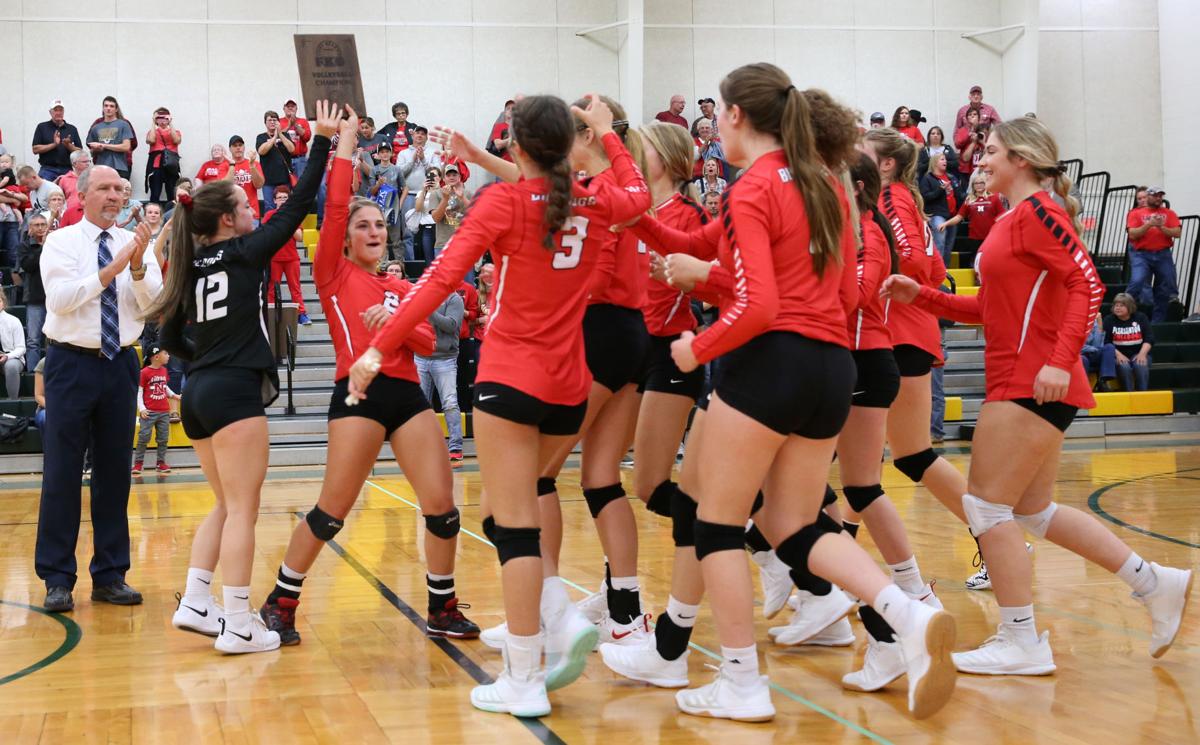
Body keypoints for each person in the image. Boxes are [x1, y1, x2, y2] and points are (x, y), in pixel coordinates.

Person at [612, 67, 956, 723]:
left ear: (737, 115)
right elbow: (831, 290)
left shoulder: (753, 187)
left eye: (720, 113)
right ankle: (905, 614)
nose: (715, 124)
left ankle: (741, 682)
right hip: (832, 367)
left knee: (715, 522)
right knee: (794, 524)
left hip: (769, 364)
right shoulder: (828, 188)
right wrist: (638, 221)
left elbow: (761, 303)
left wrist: (697, 348)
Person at [348, 94, 649, 719]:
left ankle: (524, 675)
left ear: (515, 144)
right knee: (505, 510)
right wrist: (608, 135)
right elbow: (639, 196)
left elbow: (438, 281)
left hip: (511, 380)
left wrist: (378, 347)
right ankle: (554, 617)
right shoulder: (594, 202)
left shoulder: (503, 203)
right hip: (570, 386)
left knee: (513, 529)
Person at [883, 116, 1192, 676]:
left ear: (1021, 159)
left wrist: (1057, 358)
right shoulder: (1011, 219)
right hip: (1023, 375)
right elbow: (989, 308)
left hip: (1033, 377)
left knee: (986, 507)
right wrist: (921, 295)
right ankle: (1154, 583)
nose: (980, 161)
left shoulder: (1040, 212)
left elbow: (1088, 284)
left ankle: (1021, 640)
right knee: (1032, 510)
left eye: (991, 152)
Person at [257, 108, 480, 645]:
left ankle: (443, 607)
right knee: (332, 511)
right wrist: (345, 140)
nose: (375, 231)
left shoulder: (401, 288)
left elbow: (428, 341)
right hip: (357, 396)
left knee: (443, 508)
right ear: (347, 238)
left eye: (380, 224)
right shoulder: (333, 273)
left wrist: (394, 324)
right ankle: (280, 602)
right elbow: (335, 205)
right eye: (364, 226)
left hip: (406, 396)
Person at [157, 100, 336, 654]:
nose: (253, 207)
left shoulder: (189, 265)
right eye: (244, 202)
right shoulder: (242, 252)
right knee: (243, 509)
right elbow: (299, 203)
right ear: (228, 220)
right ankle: (238, 623)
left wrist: (209, 355)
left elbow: (169, 339)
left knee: (224, 503)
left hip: (198, 392)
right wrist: (322, 140)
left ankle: (195, 602)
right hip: (233, 391)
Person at [35, 164, 161, 613]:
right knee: (62, 472)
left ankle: (110, 575)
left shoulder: (137, 244)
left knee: (114, 474)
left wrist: (139, 265)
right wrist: (116, 266)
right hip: (70, 362)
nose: (114, 195)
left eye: (120, 189)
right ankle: (57, 578)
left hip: (121, 362)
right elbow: (61, 299)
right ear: (82, 195)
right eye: (105, 188)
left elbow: (152, 305)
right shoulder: (62, 241)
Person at [415, 288, 465, 461]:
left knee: (450, 403)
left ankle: (455, 447)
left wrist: (428, 311)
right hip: (420, 357)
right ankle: (424, 446)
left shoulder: (454, 298)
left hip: (445, 358)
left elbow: (451, 325)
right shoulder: (421, 295)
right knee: (420, 405)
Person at [1126, 187, 1184, 322]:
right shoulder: (1135, 213)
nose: (1158, 198)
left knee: (1165, 285)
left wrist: (1161, 227)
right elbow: (1132, 234)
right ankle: (1123, 308)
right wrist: (1149, 224)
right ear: (1148, 197)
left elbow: (1177, 233)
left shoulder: (1169, 213)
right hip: (1141, 254)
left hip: (1163, 253)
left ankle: (1156, 323)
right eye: (1155, 195)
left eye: (1160, 196)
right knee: (1137, 280)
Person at [262, 185, 310, 325]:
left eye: (285, 197)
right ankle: (270, 316)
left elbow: (299, 237)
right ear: (274, 200)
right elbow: (265, 234)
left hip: (291, 258)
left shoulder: (294, 215)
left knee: (295, 288)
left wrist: (288, 220)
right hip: (274, 258)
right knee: (272, 289)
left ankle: (301, 314)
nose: (282, 200)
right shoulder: (269, 215)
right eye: (279, 198)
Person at [132, 344, 179, 475]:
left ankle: (160, 463)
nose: (169, 356)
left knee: (163, 439)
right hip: (149, 412)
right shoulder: (144, 373)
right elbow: (139, 392)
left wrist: (174, 395)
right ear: (157, 357)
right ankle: (138, 464)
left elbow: (164, 386)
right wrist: (142, 409)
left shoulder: (164, 370)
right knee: (143, 437)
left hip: (164, 411)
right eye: (166, 353)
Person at [940, 173, 1005, 257]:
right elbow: (959, 216)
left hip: (991, 236)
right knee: (976, 260)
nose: (979, 185)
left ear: (985, 183)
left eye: (981, 183)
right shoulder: (969, 200)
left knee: (990, 258)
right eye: (976, 183)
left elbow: (1002, 216)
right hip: (974, 237)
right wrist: (946, 223)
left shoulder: (994, 198)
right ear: (973, 185)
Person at [1104, 292, 1153, 392]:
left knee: (1140, 365)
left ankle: (1142, 395)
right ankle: (1128, 394)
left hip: (1138, 352)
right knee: (1124, 367)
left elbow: (1149, 338)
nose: (1118, 308)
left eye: (1122, 305)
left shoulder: (1141, 317)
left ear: (1130, 306)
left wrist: (1142, 354)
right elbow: (1106, 341)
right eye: (1116, 305)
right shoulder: (1109, 320)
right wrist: (1118, 355)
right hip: (1118, 354)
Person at [20, 213, 49, 369]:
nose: (40, 228)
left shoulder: (55, 244)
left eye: (43, 224)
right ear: (30, 228)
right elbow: (28, 266)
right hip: (34, 298)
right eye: (36, 225)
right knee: (33, 340)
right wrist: (42, 247)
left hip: (53, 297)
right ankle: (32, 374)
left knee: (54, 338)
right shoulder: (24, 246)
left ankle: (52, 371)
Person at [920, 153, 960, 265]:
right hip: (937, 214)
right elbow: (925, 197)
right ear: (934, 162)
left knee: (948, 245)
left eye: (945, 159)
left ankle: (944, 269)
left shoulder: (951, 177)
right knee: (939, 243)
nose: (945, 161)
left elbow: (959, 195)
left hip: (952, 215)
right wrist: (940, 189)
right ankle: (937, 269)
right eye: (942, 159)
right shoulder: (927, 178)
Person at [31, 100, 83, 181]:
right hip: (47, 170)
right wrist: (54, 144)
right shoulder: (42, 127)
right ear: (50, 112)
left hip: (67, 169)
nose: (58, 113)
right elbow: (35, 149)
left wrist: (68, 145)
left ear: (63, 112)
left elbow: (80, 152)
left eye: (61, 110)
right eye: (55, 110)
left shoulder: (72, 129)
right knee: (44, 189)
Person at [256, 110, 296, 213]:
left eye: (275, 120)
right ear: (265, 123)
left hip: (284, 179)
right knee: (269, 207)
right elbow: (261, 151)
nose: (272, 122)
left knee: (286, 207)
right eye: (270, 120)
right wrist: (274, 137)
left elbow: (292, 149)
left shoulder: (285, 135)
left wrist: (280, 134)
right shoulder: (261, 137)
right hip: (268, 181)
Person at [86, 97, 134, 180]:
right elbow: (92, 152)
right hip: (101, 167)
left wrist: (104, 145)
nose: (108, 108)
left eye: (111, 106)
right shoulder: (96, 127)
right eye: (106, 106)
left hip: (119, 167)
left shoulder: (124, 124)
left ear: (116, 109)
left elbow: (126, 147)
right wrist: (97, 149)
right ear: (103, 108)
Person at [145, 107, 182, 206]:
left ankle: (172, 212)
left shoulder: (175, 131)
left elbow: (176, 140)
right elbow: (151, 140)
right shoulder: (152, 132)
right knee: (155, 192)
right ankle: (153, 212)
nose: (162, 120)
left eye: (164, 117)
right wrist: (153, 122)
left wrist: (170, 123)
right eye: (159, 118)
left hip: (171, 163)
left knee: (172, 191)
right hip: (156, 164)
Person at [225, 136, 265, 223]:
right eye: (235, 146)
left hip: (251, 214)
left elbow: (259, 185)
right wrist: (232, 165)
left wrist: (252, 166)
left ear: (244, 147)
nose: (238, 148)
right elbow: (224, 188)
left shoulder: (254, 163)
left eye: (240, 145)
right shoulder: (224, 165)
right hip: (232, 214)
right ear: (230, 149)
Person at [1080, 315, 1116, 392]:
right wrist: (1092, 349)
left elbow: (1097, 344)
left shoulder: (1092, 322)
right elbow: (1076, 347)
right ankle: (1082, 386)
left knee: (1109, 347)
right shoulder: (1070, 324)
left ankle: (1103, 381)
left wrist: (1099, 325)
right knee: (1083, 359)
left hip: (1092, 352)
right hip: (1079, 354)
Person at [0, 292, 25, 398]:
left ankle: (12, 401)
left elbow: (21, 348)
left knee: (11, 366)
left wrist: (7, 356)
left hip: (11, 358)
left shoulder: (14, 321)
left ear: (3, 303)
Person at [279, 99, 312, 175]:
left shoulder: (303, 121)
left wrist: (295, 124)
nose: (290, 108)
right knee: (285, 182)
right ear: (284, 108)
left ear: (296, 108)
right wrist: (288, 126)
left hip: (300, 159)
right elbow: (277, 137)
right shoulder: (279, 121)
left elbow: (307, 137)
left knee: (301, 181)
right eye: (288, 106)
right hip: (284, 160)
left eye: (292, 106)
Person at [955, 107, 988, 179]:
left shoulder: (984, 130)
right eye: (970, 114)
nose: (972, 116)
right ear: (967, 119)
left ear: (979, 118)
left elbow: (989, 148)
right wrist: (970, 133)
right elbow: (958, 144)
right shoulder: (962, 130)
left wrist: (982, 142)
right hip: (966, 169)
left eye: (975, 114)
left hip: (981, 168)